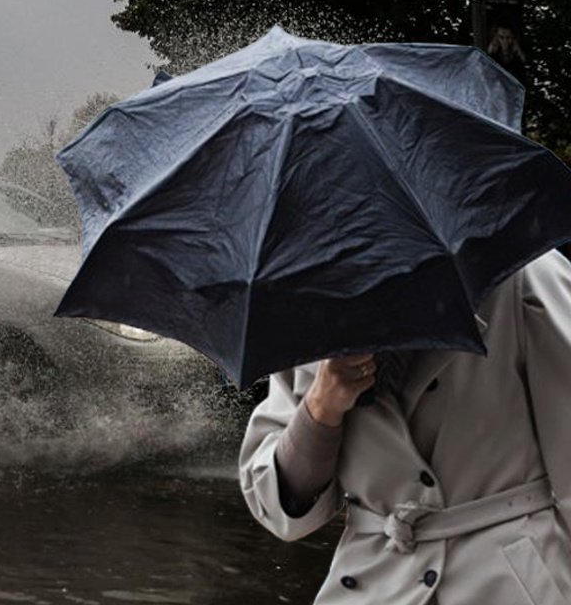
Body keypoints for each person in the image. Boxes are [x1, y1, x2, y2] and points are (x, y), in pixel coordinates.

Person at [239, 250, 571, 604]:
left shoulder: (519, 273)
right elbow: (277, 509)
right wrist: (321, 407)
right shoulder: (300, 306)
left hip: (508, 581)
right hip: (373, 584)